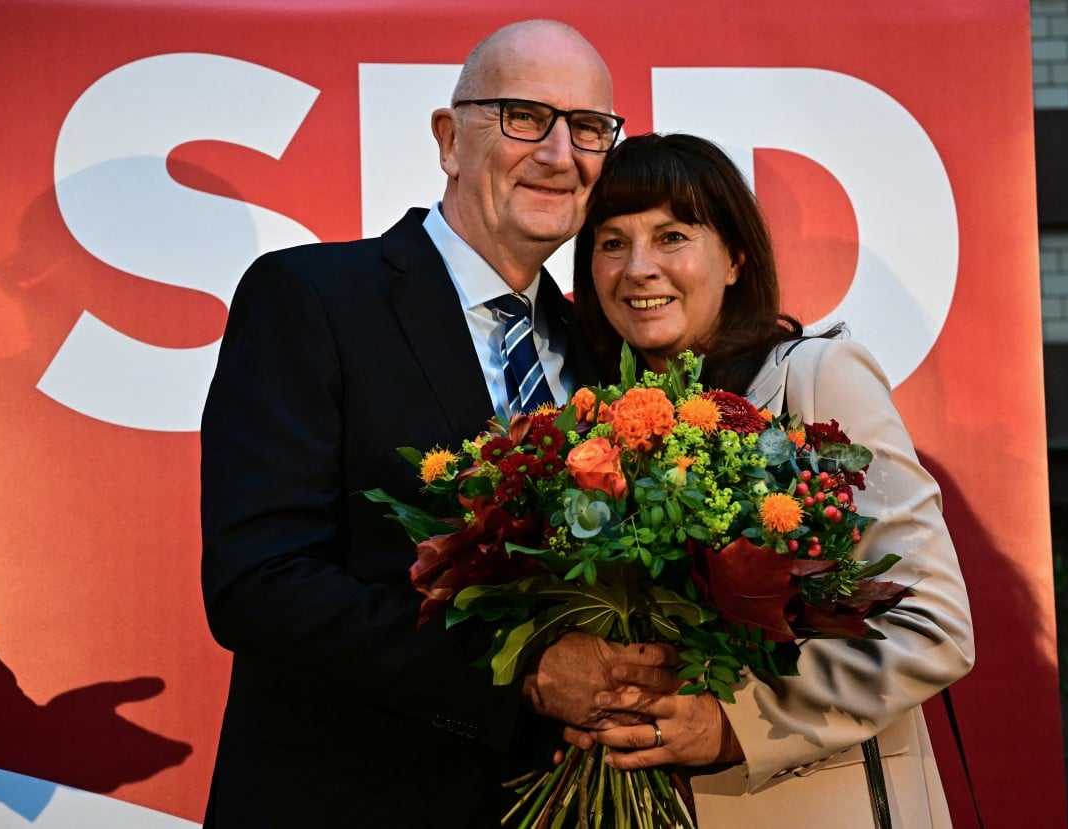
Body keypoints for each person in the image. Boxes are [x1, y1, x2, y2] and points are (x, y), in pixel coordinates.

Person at [199, 20, 674, 827]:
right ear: (450, 140)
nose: (561, 153)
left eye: (589, 128)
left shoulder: (604, 353)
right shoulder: (311, 298)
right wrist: (521, 670)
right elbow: (260, 585)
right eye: (525, 116)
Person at [568, 133, 976, 827]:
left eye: (671, 236)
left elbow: (935, 624)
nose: (639, 268)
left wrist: (735, 724)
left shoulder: (815, 379)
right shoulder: (592, 437)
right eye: (611, 242)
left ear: (734, 258)